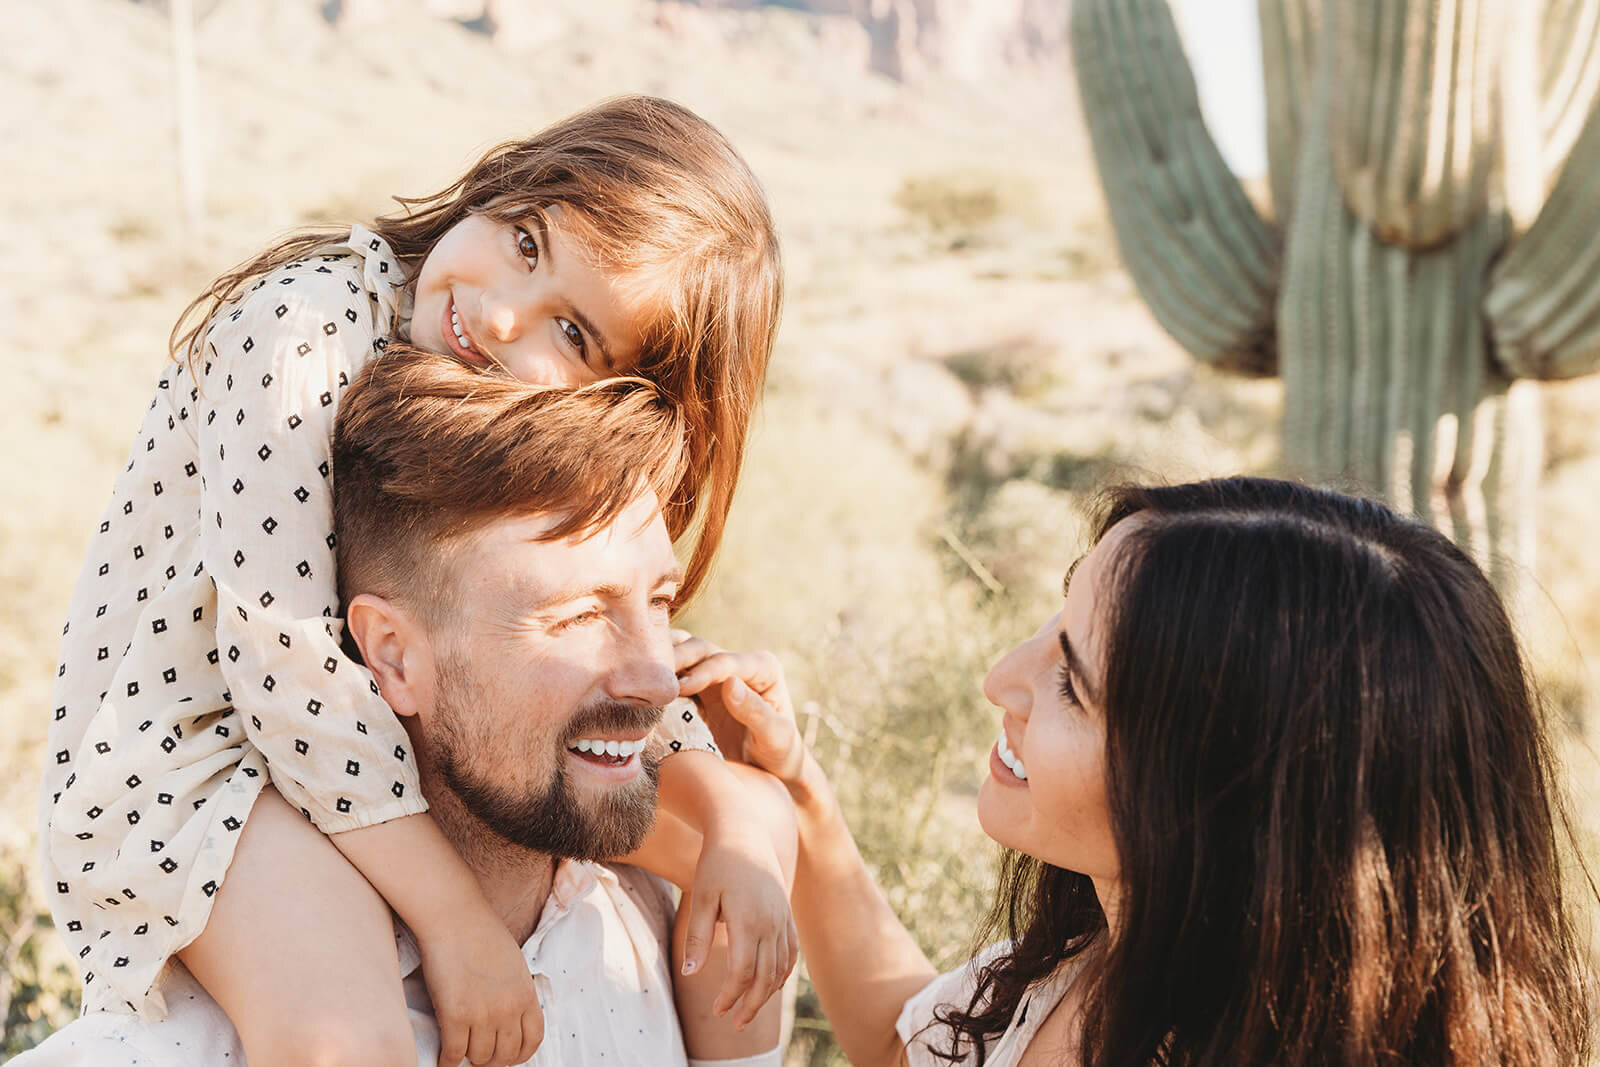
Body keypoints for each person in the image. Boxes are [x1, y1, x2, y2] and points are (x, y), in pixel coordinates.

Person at [39, 95, 790, 1067]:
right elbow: (288, 663)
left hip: (374, 724)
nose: (502, 311)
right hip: (198, 758)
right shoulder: (299, 325)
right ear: (502, 185)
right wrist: (455, 922)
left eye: (571, 332)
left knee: (754, 844)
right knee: (341, 1027)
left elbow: (614, 632)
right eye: (525, 241)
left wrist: (728, 818)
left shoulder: (494, 393)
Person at [678, 477, 1596, 1065]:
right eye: (1054, 618)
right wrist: (798, 792)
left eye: (1072, 685)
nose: (1002, 676)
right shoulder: (1103, 959)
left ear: (1217, 790)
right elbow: (903, 1040)